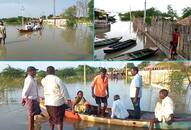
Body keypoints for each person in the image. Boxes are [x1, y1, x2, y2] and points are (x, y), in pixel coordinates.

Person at [41, 66, 71, 130]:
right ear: (54, 71)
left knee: (51, 118)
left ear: (47, 72)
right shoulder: (57, 79)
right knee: (59, 121)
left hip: (48, 103)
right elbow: (64, 90)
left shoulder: (43, 80)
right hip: (57, 103)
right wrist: (68, 100)